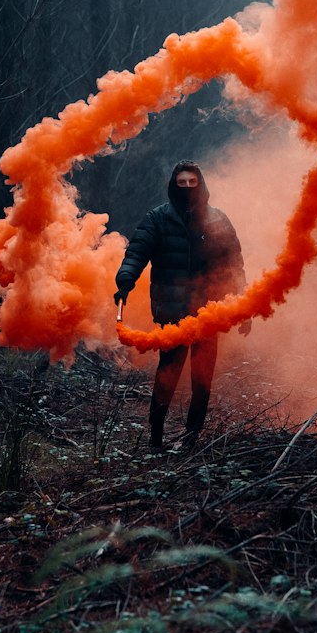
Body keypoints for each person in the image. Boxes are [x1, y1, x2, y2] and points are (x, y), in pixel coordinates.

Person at [114, 160, 249, 449]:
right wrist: (125, 280)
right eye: (182, 183)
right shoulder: (158, 219)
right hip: (172, 312)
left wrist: (244, 306)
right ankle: (156, 438)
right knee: (168, 375)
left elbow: (233, 264)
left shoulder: (217, 220)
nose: (187, 188)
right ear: (173, 186)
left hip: (208, 313)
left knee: (202, 378)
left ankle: (191, 439)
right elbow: (136, 253)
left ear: (201, 185)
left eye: (192, 183)